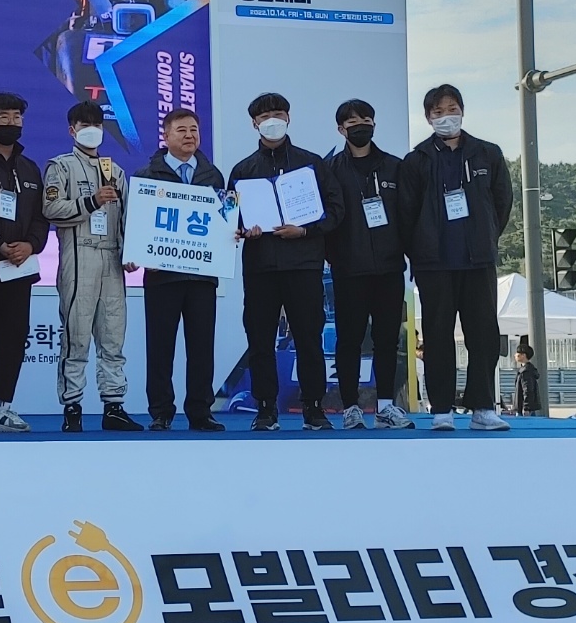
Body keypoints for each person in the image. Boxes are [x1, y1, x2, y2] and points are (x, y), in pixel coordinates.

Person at [397, 84, 513, 432]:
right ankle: (442, 409)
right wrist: (419, 251)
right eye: (438, 112)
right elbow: (406, 213)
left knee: (484, 336)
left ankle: (483, 407)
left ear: (462, 111)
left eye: (451, 109)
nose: (446, 117)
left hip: (477, 261)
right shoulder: (417, 160)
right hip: (434, 263)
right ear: (428, 117)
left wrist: (485, 236)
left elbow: (502, 202)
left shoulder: (487, 154)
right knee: (437, 337)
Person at [228, 92, 345, 432]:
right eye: (265, 117)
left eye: (278, 114)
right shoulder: (243, 170)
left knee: (308, 337)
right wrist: (243, 230)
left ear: (289, 118)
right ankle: (265, 408)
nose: (273, 121)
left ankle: (314, 408)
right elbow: (228, 218)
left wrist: (306, 230)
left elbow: (336, 210)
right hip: (261, 266)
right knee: (260, 339)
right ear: (254, 124)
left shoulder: (312, 164)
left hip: (304, 264)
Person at [43, 100, 144, 433]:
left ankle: (113, 405)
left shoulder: (115, 170)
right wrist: (92, 200)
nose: (92, 130)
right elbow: (51, 209)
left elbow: (127, 216)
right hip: (80, 255)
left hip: (111, 257)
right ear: (72, 130)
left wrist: (131, 250)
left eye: (97, 125)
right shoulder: (60, 166)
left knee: (113, 335)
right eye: (85, 124)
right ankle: (72, 406)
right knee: (76, 335)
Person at [131, 108, 225, 432]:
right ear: (166, 136)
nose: (189, 136)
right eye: (182, 130)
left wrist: (232, 233)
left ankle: (200, 411)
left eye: (194, 130)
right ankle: (161, 411)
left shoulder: (213, 176)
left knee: (202, 346)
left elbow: (222, 221)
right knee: (160, 346)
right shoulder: (147, 175)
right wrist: (137, 253)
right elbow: (136, 223)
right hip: (162, 275)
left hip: (202, 276)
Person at [326, 99, 413, 430]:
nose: (360, 126)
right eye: (352, 122)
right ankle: (350, 407)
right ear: (341, 129)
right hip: (348, 269)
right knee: (349, 340)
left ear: (374, 124)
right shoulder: (330, 169)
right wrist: (334, 255)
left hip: (389, 268)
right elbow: (325, 218)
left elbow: (408, 215)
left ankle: (387, 407)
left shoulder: (395, 167)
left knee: (388, 340)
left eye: (365, 119)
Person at [0, 92, 50, 432]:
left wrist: (30, 245)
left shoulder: (29, 167)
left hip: (19, 269)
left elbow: (40, 217)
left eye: (17, 117)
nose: (12, 122)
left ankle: (3, 407)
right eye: (3, 117)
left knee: (12, 338)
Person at [513, 341, 541, 416]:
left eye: (517, 353)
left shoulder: (526, 371)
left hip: (524, 409)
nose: (515, 355)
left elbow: (527, 390)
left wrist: (526, 407)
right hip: (524, 408)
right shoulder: (526, 370)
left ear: (523, 355)